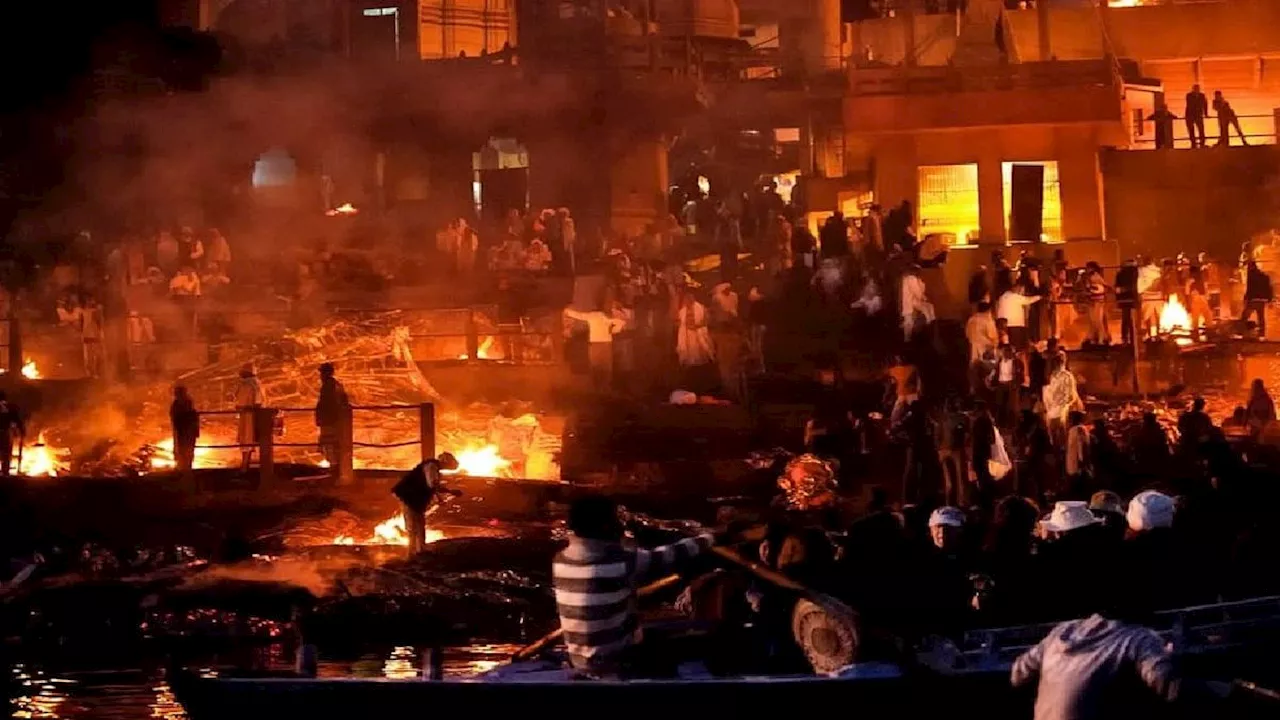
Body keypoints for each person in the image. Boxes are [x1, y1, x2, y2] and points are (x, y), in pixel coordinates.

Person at [552, 494, 720, 676]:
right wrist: (710, 538)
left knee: (654, 633)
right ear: (604, 525)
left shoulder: (560, 561)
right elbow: (671, 555)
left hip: (580, 660)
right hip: (616, 660)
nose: (619, 525)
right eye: (615, 519)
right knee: (707, 641)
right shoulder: (621, 561)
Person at [391, 453, 461, 555]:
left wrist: (444, 495)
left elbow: (432, 485)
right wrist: (443, 496)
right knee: (413, 526)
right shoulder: (431, 466)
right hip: (408, 496)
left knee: (419, 523)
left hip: (414, 497)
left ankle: (420, 549)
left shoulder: (433, 467)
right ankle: (411, 553)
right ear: (446, 462)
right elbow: (432, 484)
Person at [564, 305, 625, 391]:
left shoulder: (592, 316)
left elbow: (580, 316)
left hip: (595, 343)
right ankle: (606, 386)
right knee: (606, 365)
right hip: (607, 343)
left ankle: (597, 386)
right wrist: (614, 330)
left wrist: (568, 311)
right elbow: (621, 322)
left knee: (595, 365)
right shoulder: (606, 317)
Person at [314, 363, 350, 469]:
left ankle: (334, 468)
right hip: (336, 421)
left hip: (329, 421)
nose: (320, 376)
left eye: (321, 373)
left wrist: (321, 417)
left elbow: (326, 404)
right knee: (334, 444)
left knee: (329, 445)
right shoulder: (337, 385)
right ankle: (337, 466)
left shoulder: (328, 386)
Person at [234, 364, 265, 472]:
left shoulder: (250, 384)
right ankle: (246, 463)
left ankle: (245, 465)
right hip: (250, 415)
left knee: (247, 439)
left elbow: (243, 402)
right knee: (248, 439)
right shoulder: (252, 383)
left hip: (248, 416)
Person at [997, 283, 1042, 349]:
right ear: (1017, 289)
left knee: (1008, 345)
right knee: (1017, 346)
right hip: (1016, 325)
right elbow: (1028, 300)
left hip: (1004, 325)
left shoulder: (1002, 297)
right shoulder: (1015, 297)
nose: (1022, 293)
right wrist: (1040, 297)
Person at [170, 385, 200, 479]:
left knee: (185, 451)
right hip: (184, 432)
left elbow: (175, 417)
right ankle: (186, 469)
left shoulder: (179, 404)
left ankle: (185, 470)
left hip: (184, 432)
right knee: (185, 452)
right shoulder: (182, 404)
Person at [1241, 259, 1272, 337]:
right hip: (1261, 299)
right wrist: (1269, 299)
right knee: (1261, 316)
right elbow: (1269, 287)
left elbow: (1250, 288)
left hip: (1254, 298)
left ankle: (1240, 331)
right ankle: (1262, 334)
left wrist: (1246, 298)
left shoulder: (1251, 275)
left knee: (1245, 316)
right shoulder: (1264, 276)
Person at [0, 392, 25, 476]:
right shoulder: (10, 407)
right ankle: (5, 472)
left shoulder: (9, 407)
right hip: (5, 432)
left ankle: (5, 472)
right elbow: (16, 419)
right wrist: (21, 430)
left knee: (6, 453)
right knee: (6, 454)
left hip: (5, 432)